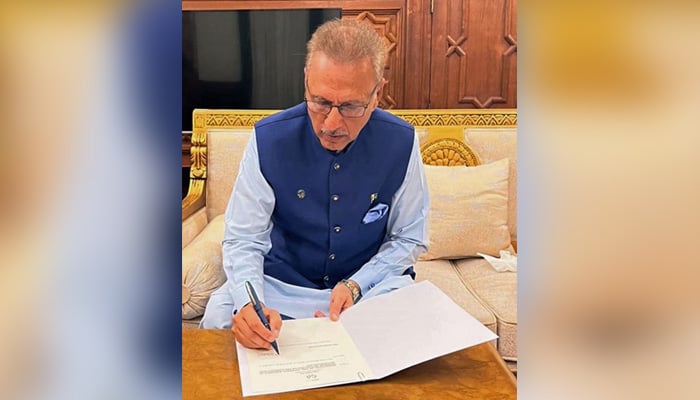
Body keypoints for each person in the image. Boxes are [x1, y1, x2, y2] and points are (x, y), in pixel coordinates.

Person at [201, 19, 429, 352]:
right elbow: (244, 238)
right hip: (281, 286)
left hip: (364, 289)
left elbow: (409, 236)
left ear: (378, 92)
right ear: (306, 81)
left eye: (351, 106)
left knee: (413, 321)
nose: (332, 123)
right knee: (221, 316)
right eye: (320, 102)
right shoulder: (268, 140)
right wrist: (249, 304)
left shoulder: (402, 142)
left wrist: (356, 285)